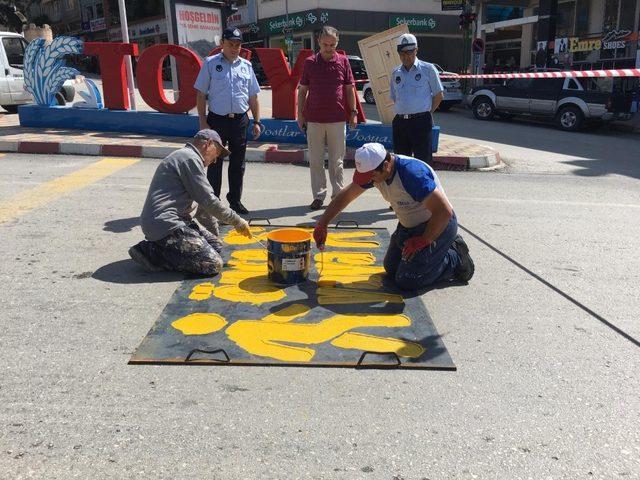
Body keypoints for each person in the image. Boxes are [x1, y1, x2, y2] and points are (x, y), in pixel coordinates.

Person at [313, 143, 474, 290]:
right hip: (409, 225)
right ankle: (431, 254)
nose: (369, 181)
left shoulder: (412, 174)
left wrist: (424, 240)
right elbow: (346, 196)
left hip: (437, 226)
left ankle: (455, 258)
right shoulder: (377, 171)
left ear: (386, 165)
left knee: (408, 280)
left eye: (371, 176)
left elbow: (444, 212)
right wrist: (322, 224)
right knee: (391, 268)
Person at [128, 129, 252, 275]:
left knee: (217, 247)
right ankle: (152, 252)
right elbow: (209, 201)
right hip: (166, 225)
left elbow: (203, 208)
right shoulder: (189, 159)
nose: (215, 160)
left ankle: (165, 247)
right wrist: (238, 221)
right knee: (213, 264)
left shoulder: (190, 159)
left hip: (177, 223)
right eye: (217, 153)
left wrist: (213, 238)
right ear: (209, 144)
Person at [194, 27, 262, 215]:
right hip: (216, 121)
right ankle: (213, 203)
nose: (234, 48)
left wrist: (256, 121)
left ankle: (235, 201)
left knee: (238, 164)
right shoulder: (210, 63)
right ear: (222, 43)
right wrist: (202, 121)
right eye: (231, 44)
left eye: (238, 45)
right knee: (214, 163)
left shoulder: (246, 66)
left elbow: (253, 97)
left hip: (240, 121)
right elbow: (200, 94)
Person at [297, 25, 358, 211]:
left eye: (332, 44)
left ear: (337, 43)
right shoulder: (309, 63)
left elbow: (349, 89)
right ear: (318, 42)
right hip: (314, 120)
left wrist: (353, 113)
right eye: (325, 44)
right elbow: (302, 91)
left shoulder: (343, 62)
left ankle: (337, 197)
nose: (328, 48)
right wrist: (300, 115)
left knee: (337, 162)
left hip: (338, 120)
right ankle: (318, 196)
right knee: (315, 161)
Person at [389, 33, 444, 166]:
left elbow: (438, 95)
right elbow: (394, 98)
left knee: (423, 163)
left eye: (409, 52)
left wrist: (426, 113)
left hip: (421, 123)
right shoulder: (395, 72)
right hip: (400, 123)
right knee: (401, 164)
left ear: (416, 50)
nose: (405, 56)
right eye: (402, 53)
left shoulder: (428, 69)